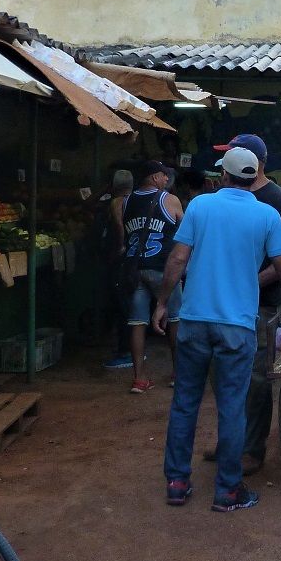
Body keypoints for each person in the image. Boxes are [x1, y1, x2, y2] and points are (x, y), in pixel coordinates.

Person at [153, 146, 281, 512]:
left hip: (194, 322)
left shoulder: (200, 206)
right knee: (231, 407)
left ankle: (177, 483)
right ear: (254, 175)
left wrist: (163, 303)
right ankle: (227, 490)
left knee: (185, 404)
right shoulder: (267, 214)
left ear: (222, 175)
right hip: (238, 327)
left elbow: (178, 257)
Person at [212, 133, 281, 477]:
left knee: (257, 379)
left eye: (232, 154)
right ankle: (229, 442)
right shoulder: (227, 197)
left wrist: (245, 283)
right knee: (222, 374)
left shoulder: (276, 200)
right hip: (226, 304)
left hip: (261, 304)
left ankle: (252, 449)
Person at [120, 162, 183, 394]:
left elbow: (123, 235)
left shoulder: (126, 201)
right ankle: (179, 373)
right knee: (176, 319)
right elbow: (186, 231)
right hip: (162, 270)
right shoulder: (169, 200)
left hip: (135, 268)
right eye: (164, 176)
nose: (167, 180)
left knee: (137, 323)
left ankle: (139, 379)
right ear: (155, 177)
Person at [102, 168, 136, 371]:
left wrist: (121, 246)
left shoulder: (117, 202)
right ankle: (131, 349)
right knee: (129, 304)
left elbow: (119, 226)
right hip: (132, 258)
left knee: (122, 304)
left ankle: (125, 352)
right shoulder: (135, 199)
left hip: (121, 257)